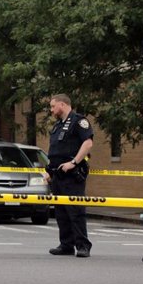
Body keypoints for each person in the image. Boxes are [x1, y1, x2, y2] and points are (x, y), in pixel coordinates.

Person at [45, 94, 94, 258]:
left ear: (62, 104)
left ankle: (83, 245)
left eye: (53, 106)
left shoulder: (78, 121)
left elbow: (88, 143)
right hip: (58, 175)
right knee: (61, 212)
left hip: (72, 175)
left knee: (75, 210)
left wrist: (73, 162)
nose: (51, 110)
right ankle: (66, 244)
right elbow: (56, 150)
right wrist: (49, 171)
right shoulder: (58, 125)